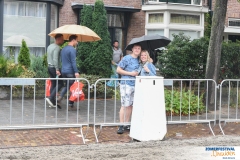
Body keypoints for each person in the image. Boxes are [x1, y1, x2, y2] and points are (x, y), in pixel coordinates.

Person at [116, 43, 141, 134]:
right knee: (124, 105)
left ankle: (127, 123)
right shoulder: (126, 58)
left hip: (136, 85)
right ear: (132, 49)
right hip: (126, 84)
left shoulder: (139, 60)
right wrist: (130, 73)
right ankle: (121, 125)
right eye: (135, 48)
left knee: (130, 105)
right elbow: (118, 70)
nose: (137, 50)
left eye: (139, 48)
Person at [58, 35, 80, 111]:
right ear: (73, 40)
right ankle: (71, 105)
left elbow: (62, 60)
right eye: (77, 40)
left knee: (67, 86)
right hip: (70, 71)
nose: (77, 42)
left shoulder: (63, 49)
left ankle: (60, 97)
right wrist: (76, 72)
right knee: (72, 88)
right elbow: (73, 61)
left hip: (64, 71)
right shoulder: (72, 50)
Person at [46, 34, 64, 108]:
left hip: (49, 67)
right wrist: (57, 69)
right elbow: (55, 59)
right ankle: (51, 98)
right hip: (54, 68)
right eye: (62, 39)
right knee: (60, 83)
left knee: (53, 83)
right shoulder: (57, 48)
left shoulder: (50, 46)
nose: (63, 40)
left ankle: (52, 101)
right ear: (58, 39)